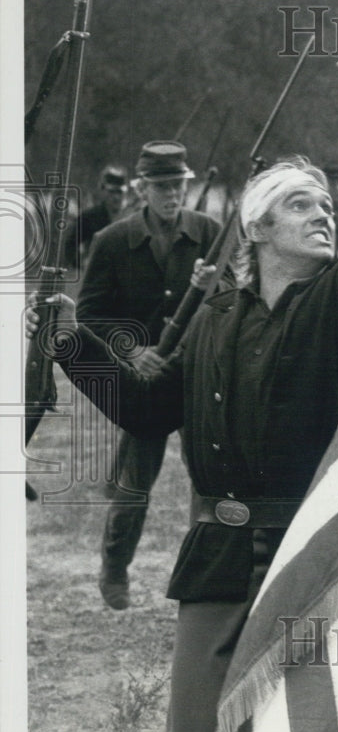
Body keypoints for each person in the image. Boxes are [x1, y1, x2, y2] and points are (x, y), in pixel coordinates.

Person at [26, 56, 338, 732]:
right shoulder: (215, 318)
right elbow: (149, 410)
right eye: (301, 205)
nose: (322, 214)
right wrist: (71, 344)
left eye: (327, 204)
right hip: (215, 563)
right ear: (259, 227)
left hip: (309, 561)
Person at [76, 140, 221, 610]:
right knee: (135, 487)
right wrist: (132, 350)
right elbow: (90, 315)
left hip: (198, 374)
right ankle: (115, 568)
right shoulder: (111, 242)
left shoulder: (209, 232)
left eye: (178, 184)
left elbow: (234, 298)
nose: (171, 194)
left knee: (212, 481)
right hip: (146, 382)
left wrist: (211, 289)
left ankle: (212, 574)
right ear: (142, 189)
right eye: (161, 186)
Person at [63, 165, 129, 273]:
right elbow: (70, 244)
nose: (116, 197)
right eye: (112, 192)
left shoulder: (134, 216)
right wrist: (81, 263)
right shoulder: (90, 217)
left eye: (120, 192)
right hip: (100, 275)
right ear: (103, 191)